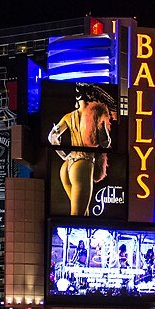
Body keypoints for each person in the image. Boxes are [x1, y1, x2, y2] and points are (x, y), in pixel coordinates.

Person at [48, 84, 115, 216]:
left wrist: (63, 156)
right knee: (78, 215)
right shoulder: (97, 113)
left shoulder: (68, 116)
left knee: (83, 213)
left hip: (66, 167)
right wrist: (103, 127)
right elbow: (105, 143)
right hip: (83, 164)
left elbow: (52, 137)